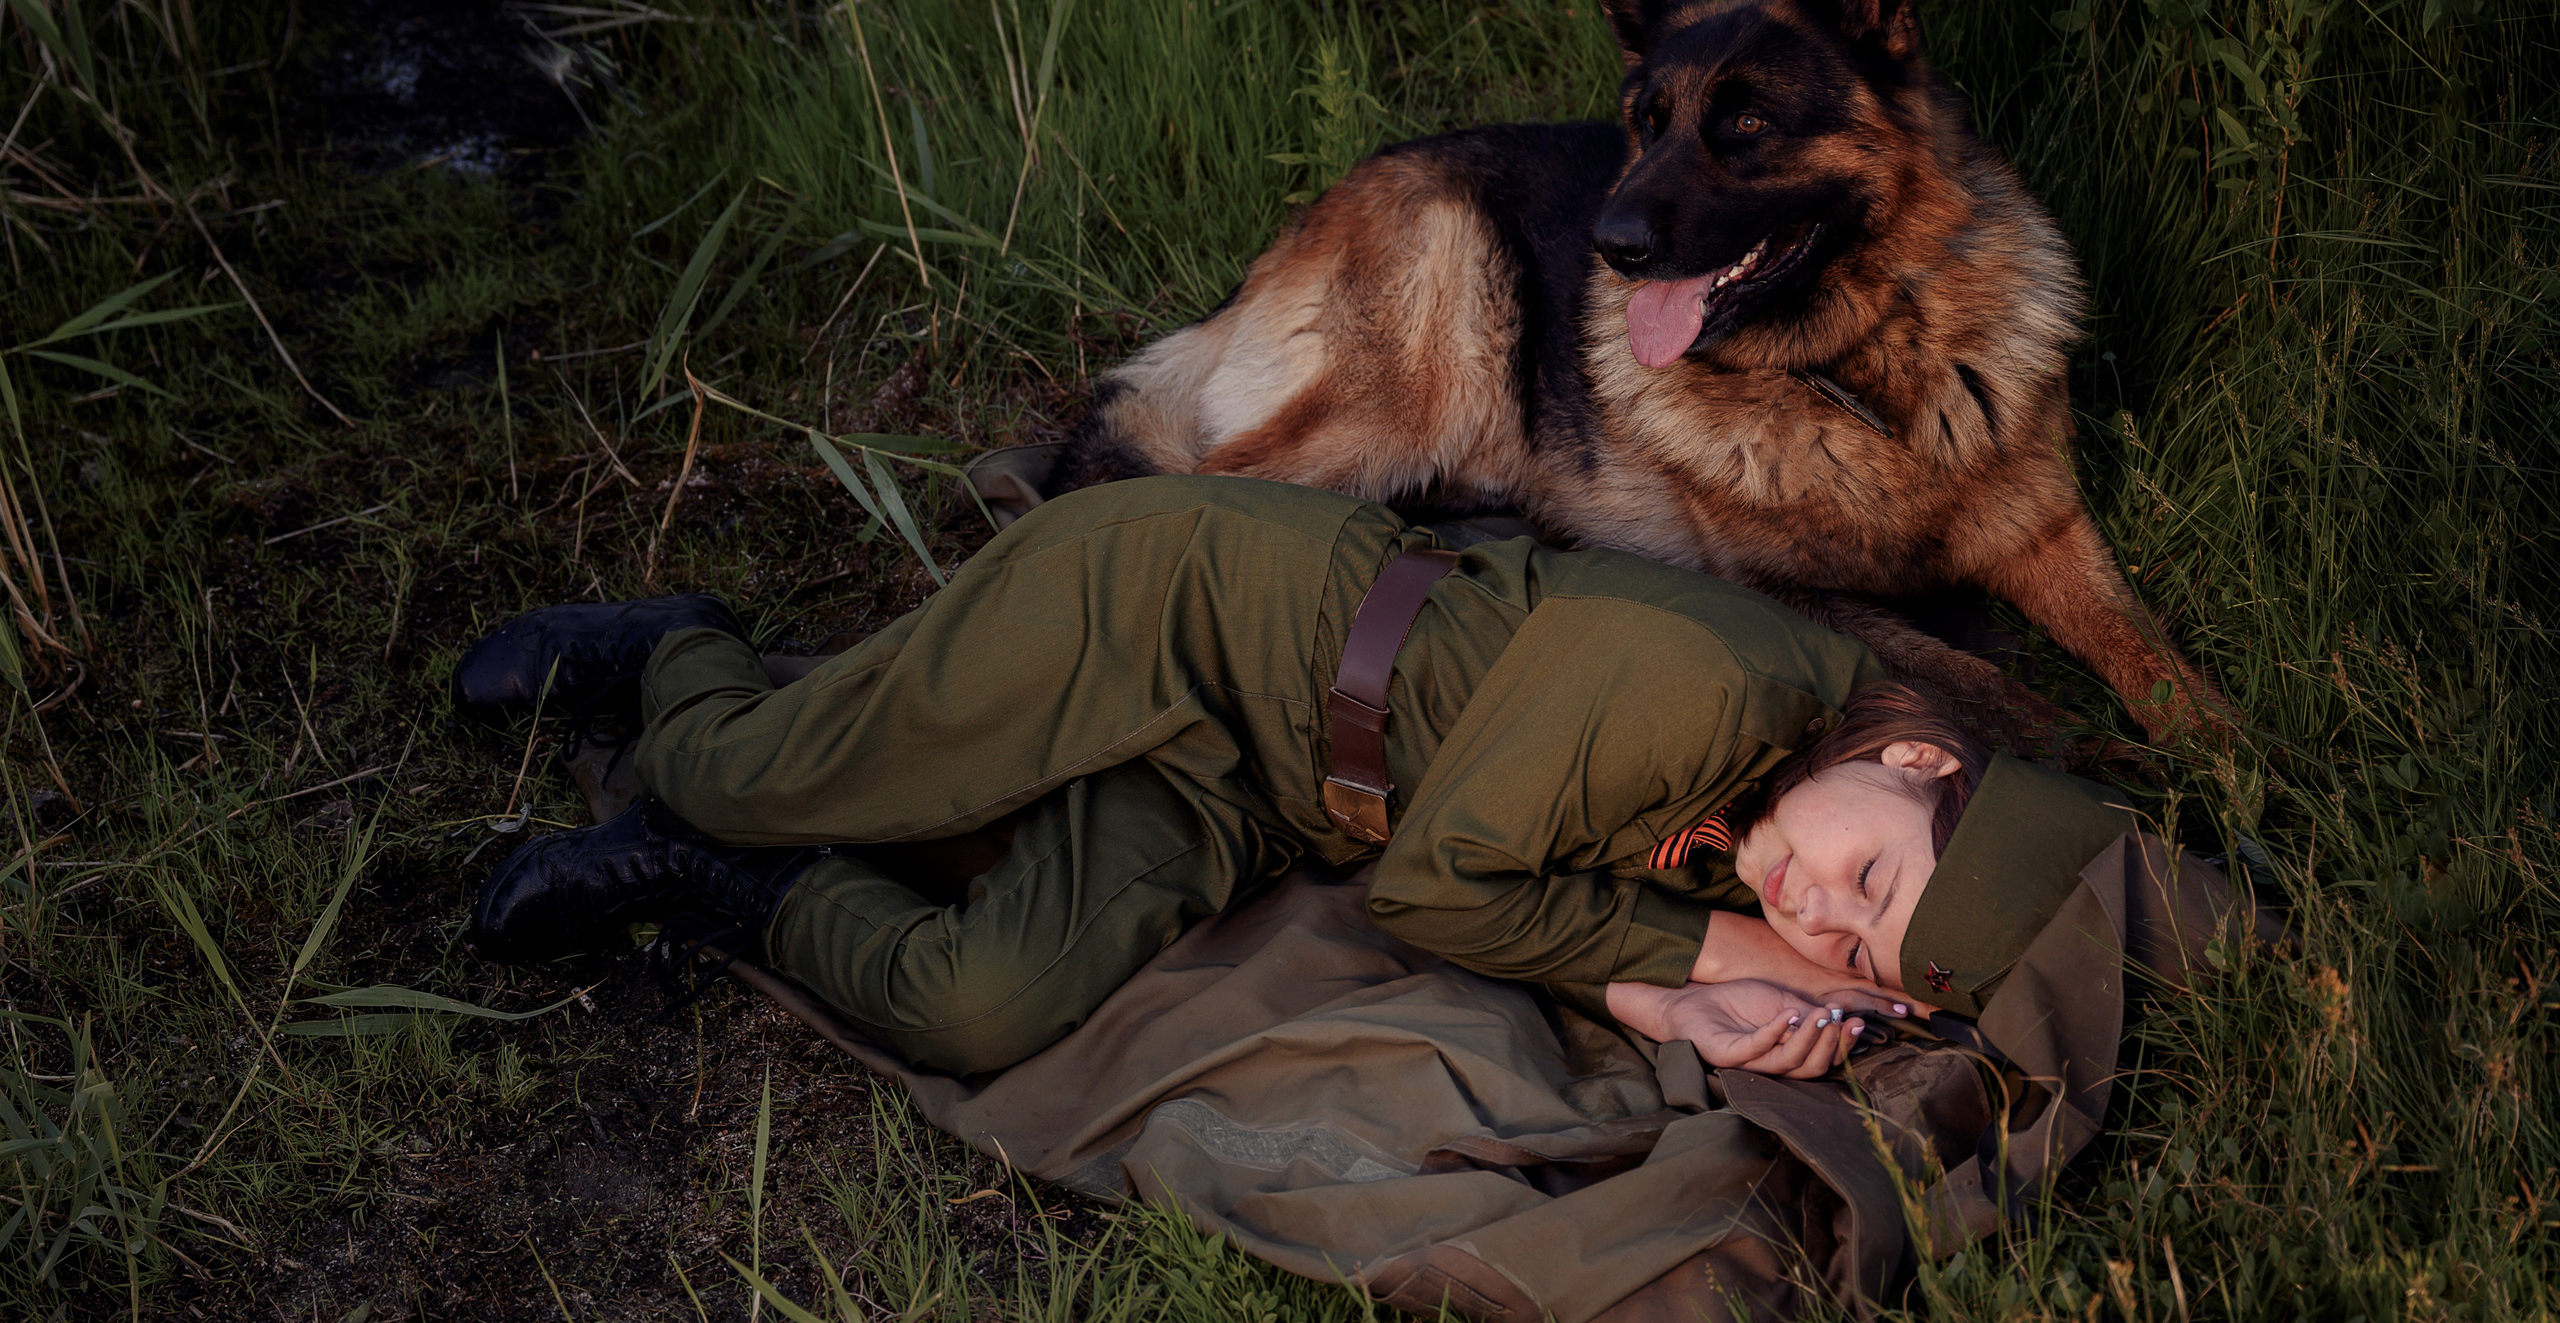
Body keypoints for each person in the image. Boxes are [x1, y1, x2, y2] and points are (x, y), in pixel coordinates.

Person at [457, 476, 2136, 1080]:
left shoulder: (1785, 813)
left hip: (1266, 789)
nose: (1811, 910)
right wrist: (1704, 966)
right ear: (1917, 758)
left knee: (979, 1005)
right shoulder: (1725, 688)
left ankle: (715, 883)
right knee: (748, 765)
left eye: (1852, 945)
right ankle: (682, 659)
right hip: (1171, 611)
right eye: (1872, 879)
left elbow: (1549, 892)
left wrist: (1680, 1007)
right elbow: (1434, 893)